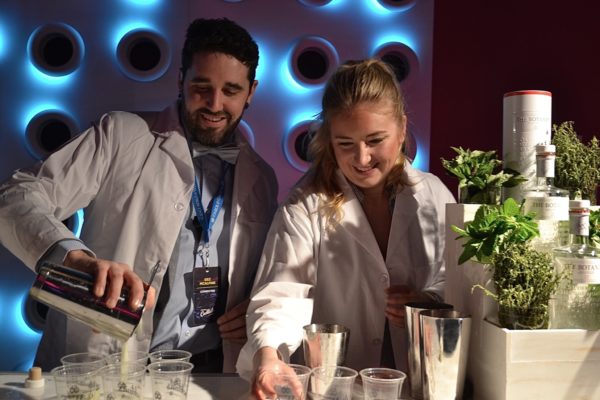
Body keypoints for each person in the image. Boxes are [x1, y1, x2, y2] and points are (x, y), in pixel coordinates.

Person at [0, 17, 278, 373]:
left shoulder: (262, 178)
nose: (214, 103)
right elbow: (15, 197)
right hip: (109, 361)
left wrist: (254, 308)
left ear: (251, 91)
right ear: (180, 80)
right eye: (201, 86)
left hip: (209, 371)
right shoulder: (120, 135)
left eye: (231, 91)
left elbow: (262, 271)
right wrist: (76, 260)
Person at [235, 59, 455, 398]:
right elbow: (282, 295)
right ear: (329, 140)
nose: (362, 158)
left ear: (402, 129)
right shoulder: (305, 203)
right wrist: (268, 355)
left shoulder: (434, 195)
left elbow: (455, 285)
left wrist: (427, 302)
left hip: (421, 384)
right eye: (346, 144)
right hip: (337, 389)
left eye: (375, 140)